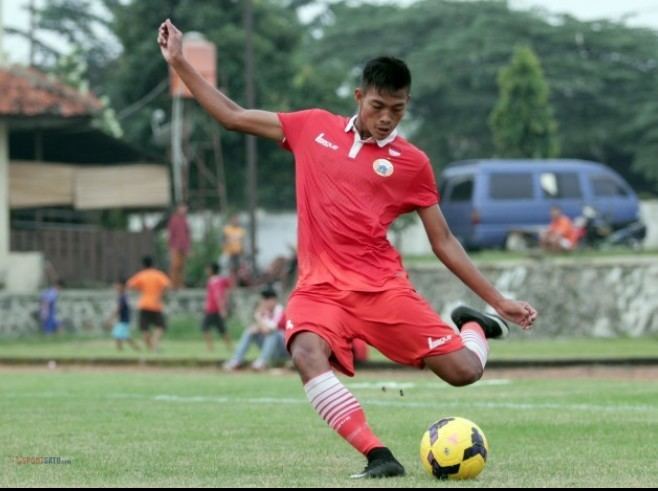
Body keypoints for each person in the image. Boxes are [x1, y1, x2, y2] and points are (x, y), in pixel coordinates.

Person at [159, 21, 537, 479]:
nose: (386, 118)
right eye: (378, 106)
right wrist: (179, 61)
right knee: (303, 352)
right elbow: (233, 116)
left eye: (396, 110)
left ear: (406, 106)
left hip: (382, 289)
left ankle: (475, 325)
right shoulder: (311, 128)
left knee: (463, 372)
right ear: (359, 97)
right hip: (319, 289)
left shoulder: (413, 164)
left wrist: (498, 301)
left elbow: (444, 241)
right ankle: (379, 455)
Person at [222, 287, 287, 371]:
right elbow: (263, 328)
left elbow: (269, 330)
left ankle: (262, 362)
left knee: (273, 333)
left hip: (283, 349)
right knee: (250, 331)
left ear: (273, 300)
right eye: (263, 299)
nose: (264, 302)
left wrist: (258, 316)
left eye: (266, 299)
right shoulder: (265, 312)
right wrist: (259, 325)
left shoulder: (280, 310)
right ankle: (236, 360)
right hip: (270, 348)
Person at [127, 256, 171, 352]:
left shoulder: (141, 275)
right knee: (160, 326)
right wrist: (161, 295)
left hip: (143, 304)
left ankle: (151, 347)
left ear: (143, 265)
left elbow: (130, 285)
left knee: (144, 328)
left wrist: (140, 289)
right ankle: (154, 343)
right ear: (153, 264)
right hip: (156, 304)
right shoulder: (158, 274)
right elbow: (167, 285)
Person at [202, 262, 233, 352]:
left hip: (213, 309)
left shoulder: (214, 281)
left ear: (212, 270)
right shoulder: (219, 280)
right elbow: (227, 290)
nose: (206, 271)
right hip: (214, 308)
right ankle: (230, 347)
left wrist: (222, 309)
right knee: (222, 329)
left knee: (205, 327)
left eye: (208, 269)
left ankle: (210, 347)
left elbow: (218, 295)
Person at [108, 279, 140, 352]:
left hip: (124, 319)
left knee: (120, 335)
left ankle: (125, 349)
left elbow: (119, 308)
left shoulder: (123, 297)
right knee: (121, 335)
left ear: (123, 286)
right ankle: (124, 349)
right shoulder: (123, 296)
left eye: (117, 285)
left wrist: (111, 318)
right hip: (123, 319)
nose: (116, 287)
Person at [167, 202, 191, 289]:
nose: (184, 210)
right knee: (175, 266)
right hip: (175, 246)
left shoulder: (185, 220)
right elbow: (171, 234)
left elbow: (188, 234)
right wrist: (170, 247)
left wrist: (188, 247)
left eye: (185, 208)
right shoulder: (174, 219)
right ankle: (173, 285)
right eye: (182, 208)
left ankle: (181, 284)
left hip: (184, 247)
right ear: (178, 209)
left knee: (182, 267)